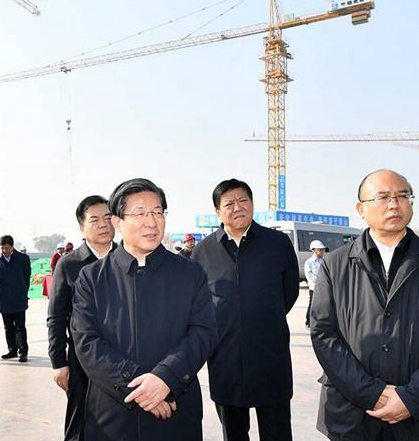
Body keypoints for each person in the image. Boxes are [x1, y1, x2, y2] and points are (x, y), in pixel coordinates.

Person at [310, 169, 419, 440]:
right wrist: (372, 393)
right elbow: (324, 335)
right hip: (353, 417)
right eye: (383, 197)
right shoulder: (334, 265)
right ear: (361, 209)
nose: (394, 204)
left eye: (402, 196)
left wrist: (411, 398)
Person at [71, 178, 217, 441]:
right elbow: (86, 342)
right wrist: (143, 388)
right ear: (117, 222)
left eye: (158, 212)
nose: (151, 222)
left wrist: (166, 378)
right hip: (112, 416)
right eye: (139, 213)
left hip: (175, 411)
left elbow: (203, 333)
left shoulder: (191, 274)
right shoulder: (91, 277)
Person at [191, 178, 299, 441]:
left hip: (270, 355)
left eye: (243, 200)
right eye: (229, 203)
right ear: (217, 211)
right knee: (234, 433)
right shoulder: (203, 251)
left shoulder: (277, 243)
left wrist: (261, 317)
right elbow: (199, 303)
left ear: (252, 203)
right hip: (225, 358)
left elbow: (289, 292)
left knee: (277, 432)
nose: (237, 207)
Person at [47, 195, 117, 441]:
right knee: (80, 423)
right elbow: (56, 316)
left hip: (123, 357)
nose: (103, 224)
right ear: (81, 227)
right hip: (82, 360)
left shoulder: (128, 258)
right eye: (94, 219)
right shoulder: (68, 264)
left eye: (108, 217)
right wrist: (58, 362)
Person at [0, 235, 32, 362]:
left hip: (18, 298)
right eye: (2, 248)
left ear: (12, 247)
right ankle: (12, 350)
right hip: (4, 299)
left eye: (6, 248)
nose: (4, 251)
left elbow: (27, 277)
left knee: (20, 326)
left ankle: (23, 352)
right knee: (8, 327)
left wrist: (23, 292)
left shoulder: (23, 258)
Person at [304, 239, 326, 329]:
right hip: (314, 288)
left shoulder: (323, 261)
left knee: (323, 305)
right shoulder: (309, 262)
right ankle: (308, 321)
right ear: (313, 250)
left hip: (324, 287)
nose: (322, 251)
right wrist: (319, 283)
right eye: (320, 249)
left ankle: (320, 321)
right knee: (313, 305)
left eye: (323, 249)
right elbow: (310, 277)